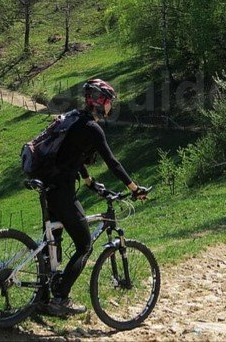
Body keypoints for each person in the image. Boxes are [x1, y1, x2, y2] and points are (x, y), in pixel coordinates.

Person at [43, 78, 148, 317]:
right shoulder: (91, 127)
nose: (111, 106)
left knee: (52, 244)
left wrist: (89, 182)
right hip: (62, 190)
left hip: (50, 184)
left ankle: (42, 298)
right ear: (101, 102)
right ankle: (60, 300)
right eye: (110, 101)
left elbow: (72, 155)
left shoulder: (74, 119)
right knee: (84, 245)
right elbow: (112, 161)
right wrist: (134, 188)